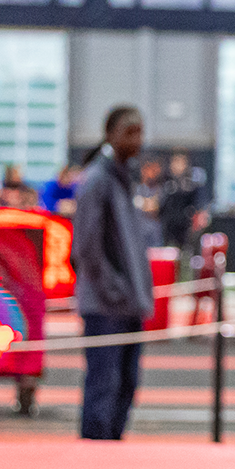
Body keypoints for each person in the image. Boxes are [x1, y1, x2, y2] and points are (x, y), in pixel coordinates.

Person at [72, 106, 155, 441]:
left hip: (128, 302)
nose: (137, 139)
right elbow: (86, 248)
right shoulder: (97, 180)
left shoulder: (124, 178)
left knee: (125, 385)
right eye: (130, 132)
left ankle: (113, 449)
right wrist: (114, 290)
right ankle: (94, 456)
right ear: (110, 134)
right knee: (103, 387)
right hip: (106, 305)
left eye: (140, 131)